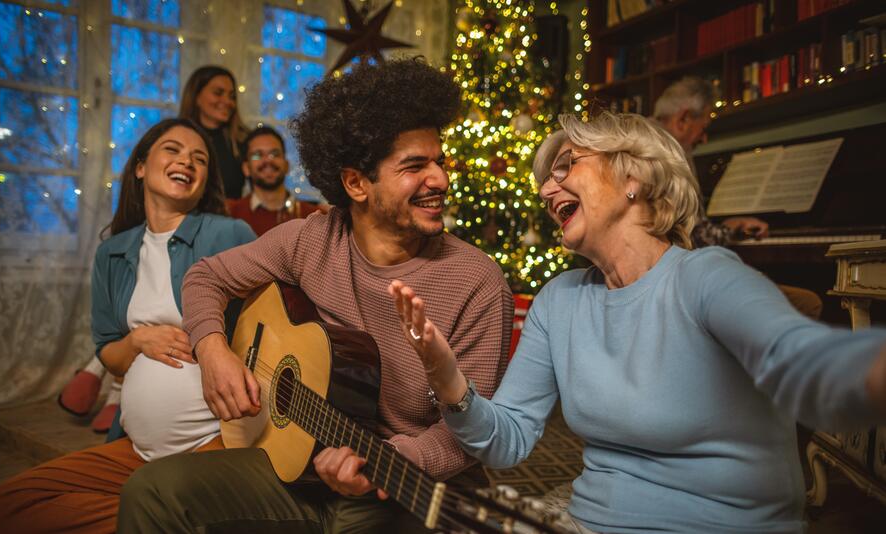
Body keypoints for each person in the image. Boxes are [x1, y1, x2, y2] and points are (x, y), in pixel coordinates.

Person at [389, 111, 886, 534]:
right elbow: (508, 440)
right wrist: (447, 377)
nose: (544, 189)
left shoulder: (706, 277)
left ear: (635, 178)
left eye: (567, 166)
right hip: (586, 520)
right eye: (545, 177)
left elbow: (803, 360)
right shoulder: (558, 300)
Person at [116, 58, 513, 533]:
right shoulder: (312, 239)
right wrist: (213, 349)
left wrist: (391, 459)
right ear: (355, 183)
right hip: (294, 458)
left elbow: (470, 433)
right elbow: (205, 278)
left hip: (400, 484)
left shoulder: (478, 283)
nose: (441, 180)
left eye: (440, 162)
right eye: (415, 166)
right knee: (149, 491)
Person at [0, 118, 256, 534]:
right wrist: (140, 339)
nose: (187, 161)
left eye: (200, 158)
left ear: (204, 181)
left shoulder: (228, 233)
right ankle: (165, 524)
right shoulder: (113, 253)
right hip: (138, 450)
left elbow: (273, 319)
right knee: (7, 507)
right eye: (173, 150)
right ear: (141, 166)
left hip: (215, 444)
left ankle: (163, 518)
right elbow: (109, 355)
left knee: (155, 501)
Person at [654, 76, 822, 319]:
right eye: (704, 127)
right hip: (677, 281)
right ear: (683, 118)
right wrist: (728, 230)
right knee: (808, 303)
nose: (704, 138)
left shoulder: (643, 140)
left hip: (669, 276)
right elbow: (693, 237)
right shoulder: (669, 153)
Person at [227, 124, 322, 236]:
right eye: (257, 155)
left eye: (275, 154)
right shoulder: (230, 213)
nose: (267, 161)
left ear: (286, 165)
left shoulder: (314, 216)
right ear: (246, 168)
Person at [180, 65, 248, 199]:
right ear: (196, 96)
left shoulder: (243, 140)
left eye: (232, 96)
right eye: (218, 93)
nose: (227, 101)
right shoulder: (177, 138)